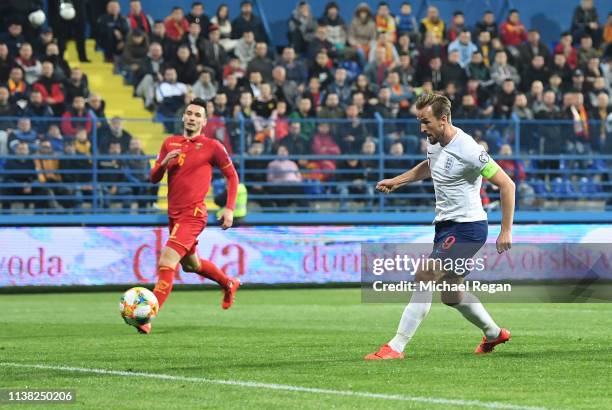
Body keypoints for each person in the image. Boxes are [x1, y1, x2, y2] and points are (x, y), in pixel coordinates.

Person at [366, 93, 515, 360]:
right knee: (451, 294)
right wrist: (398, 181)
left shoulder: (469, 149)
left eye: (426, 122)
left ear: (443, 120)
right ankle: (494, 334)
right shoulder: (434, 141)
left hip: (468, 228)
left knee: (424, 274)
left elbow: (507, 184)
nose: (422, 128)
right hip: (446, 227)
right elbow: (430, 166)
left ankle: (396, 346)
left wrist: (506, 230)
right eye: (419, 121)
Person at [142, 98, 240, 334]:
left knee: (167, 261)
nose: (192, 118)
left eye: (197, 115)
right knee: (191, 265)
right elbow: (153, 178)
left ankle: (145, 316)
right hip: (174, 216)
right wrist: (163, 164)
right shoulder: (169, 143)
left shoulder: (212, 146)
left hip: (194, 215)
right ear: (183, 117)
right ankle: (228, 283)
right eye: (189, 113)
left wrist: (229, 208)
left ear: (204, 121)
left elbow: (232, 177)